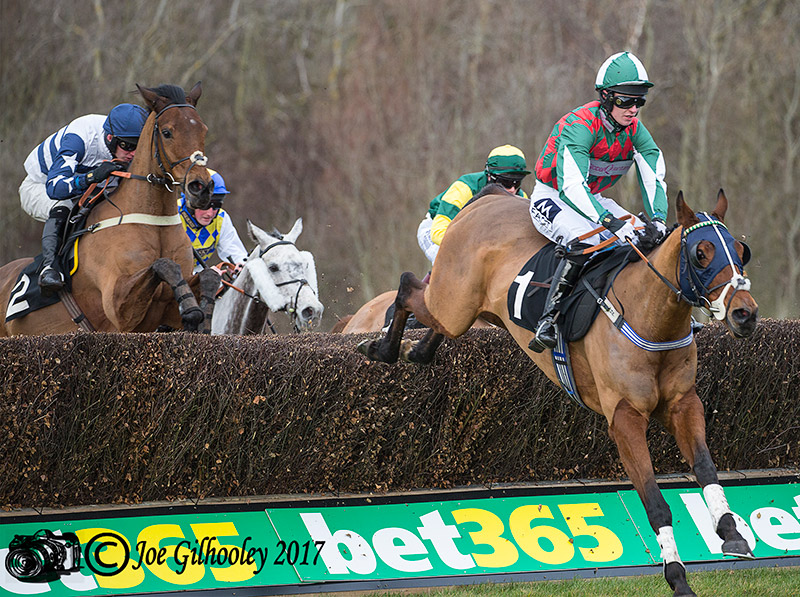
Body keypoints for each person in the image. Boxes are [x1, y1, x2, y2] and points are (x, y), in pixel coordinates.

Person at [528, 51, 669, 353]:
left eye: (639, 101)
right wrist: (609, 222)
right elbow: (571, 187)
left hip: (592, 197)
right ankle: (548, 319)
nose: (633, 109)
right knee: (584, 239)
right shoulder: (579, 125)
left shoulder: (634, 131)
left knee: (646, 238)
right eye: (625, 101)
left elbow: (653, 176)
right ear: (605, 97)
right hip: (553, 195)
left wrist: (657, 219)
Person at [19, 103, 149, 295]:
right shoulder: (79, 137)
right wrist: (91, 177)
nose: (134, 154)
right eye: (128, 146)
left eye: (139, 146)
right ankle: (50, 268)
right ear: (110, 138)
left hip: (84, 190)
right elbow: (55, 188)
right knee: (63, 205)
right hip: (40, 186)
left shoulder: (122, 138)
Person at [418, 144, 531, 267]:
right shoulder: (465, 187)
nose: (512, 189)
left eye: (517, 182)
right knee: (455, 263)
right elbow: (438, 233)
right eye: (506, 182)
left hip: (476, 235)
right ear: (489, 176)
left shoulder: (521, 197)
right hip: (435, 230)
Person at [178, 168, 247, 274]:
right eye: (204, 205)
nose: (210, 213)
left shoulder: (221, 217)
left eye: (216, 205)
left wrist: (240, 265)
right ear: (189, 202)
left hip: (196, 270)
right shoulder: (172, 215)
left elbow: (236, 254)